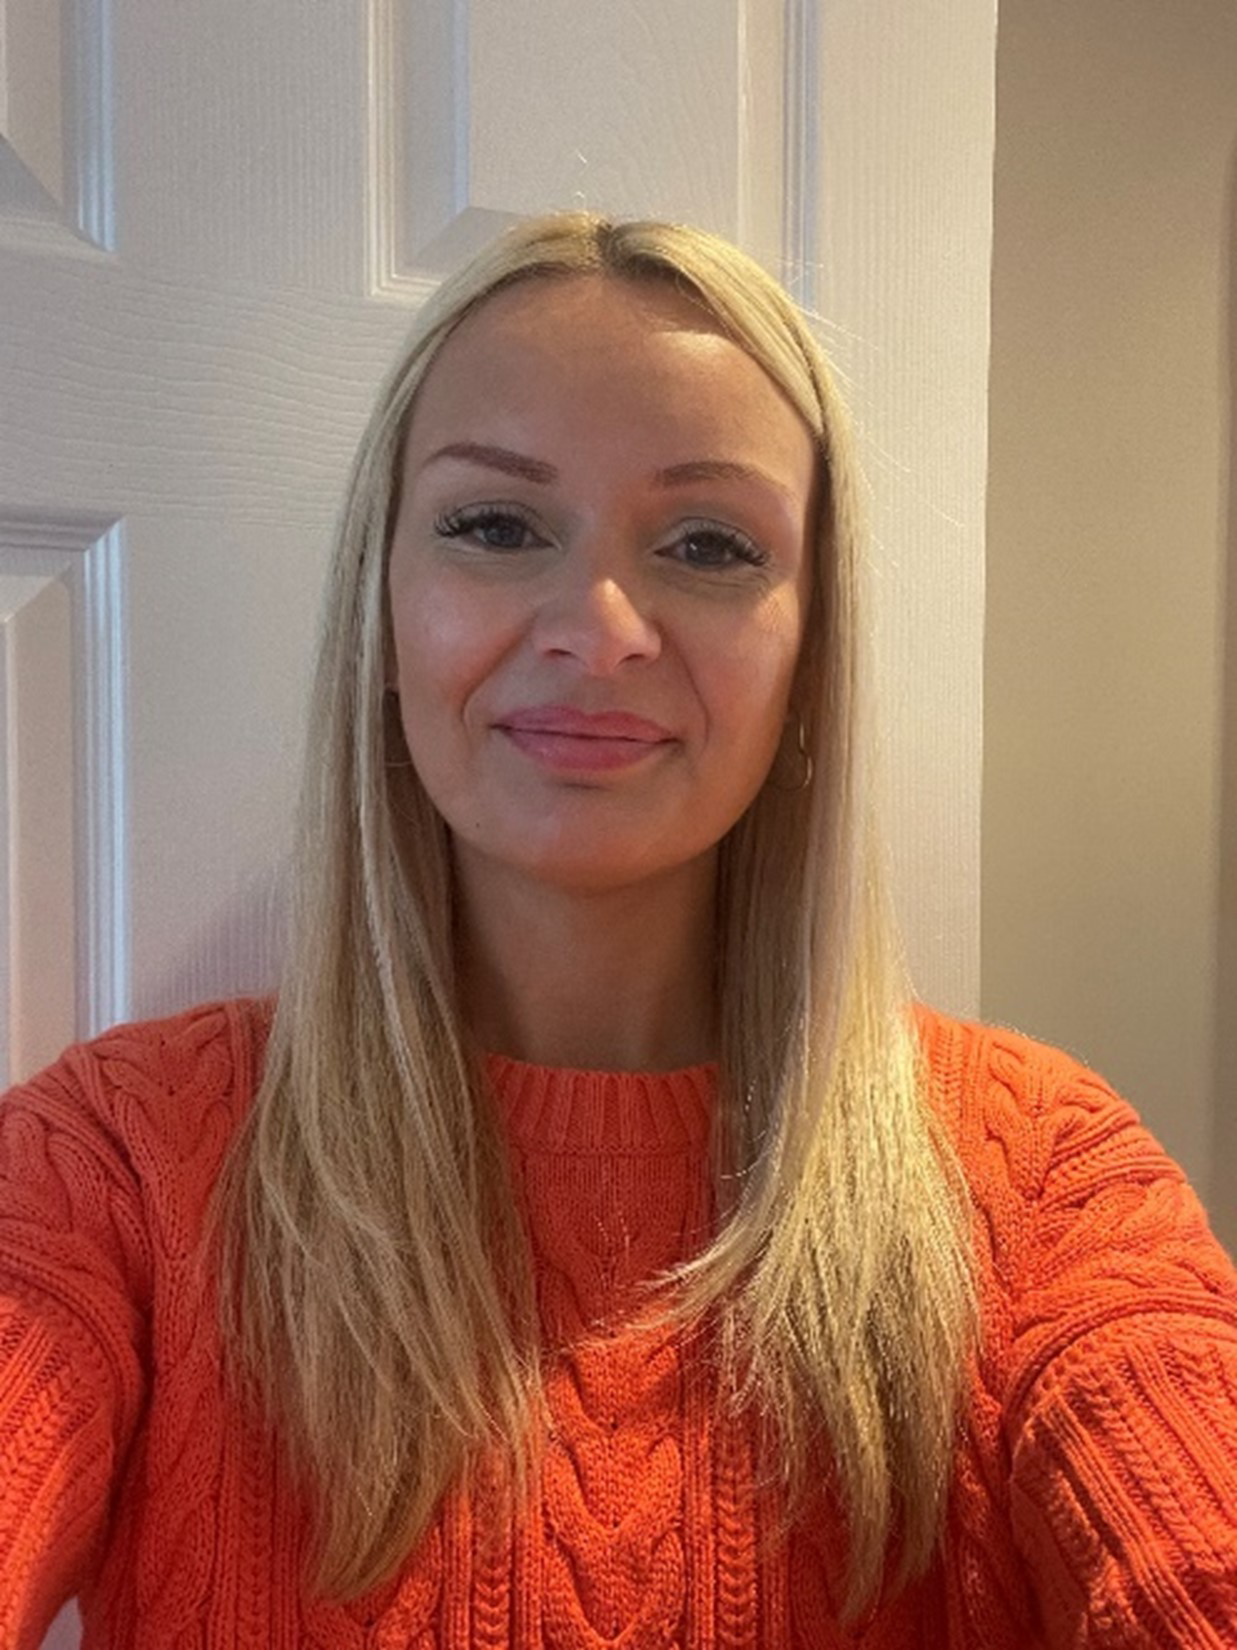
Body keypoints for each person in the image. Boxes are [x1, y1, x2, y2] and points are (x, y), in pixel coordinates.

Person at [1, 213, 1234, 1650]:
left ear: (810, 657)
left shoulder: (1045, 1186)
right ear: (382, 609)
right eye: (497, 524)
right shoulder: (117, 1165)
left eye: (709, 544)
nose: (596, 625)